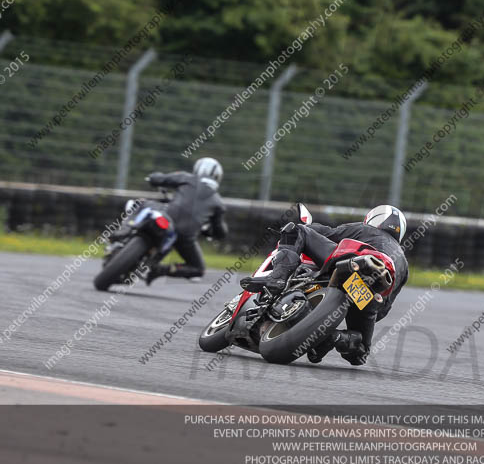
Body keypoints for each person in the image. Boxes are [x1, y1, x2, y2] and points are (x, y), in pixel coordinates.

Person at [241, 205, 409, 366]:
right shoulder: (403, 265)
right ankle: (334, 338)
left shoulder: (366, 230)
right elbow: (382, 310)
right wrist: (363, 310)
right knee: (360, 352)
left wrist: (308, 226)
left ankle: (277, 278)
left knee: (297, 230)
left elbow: (328, 233)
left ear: (374, 219)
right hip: (372, 294)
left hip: (354, 262)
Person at [144, 157, 228, 285]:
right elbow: (220, 232)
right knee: (198, 269)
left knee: (143, 205)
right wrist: (209, 231)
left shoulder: (186, 178)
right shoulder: (218, 203)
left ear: (198, 169)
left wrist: (152, 177)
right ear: (217, 178)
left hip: (167, 220)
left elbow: (159, 179)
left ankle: (121, 234)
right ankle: (160, 270)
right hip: (185, 237)